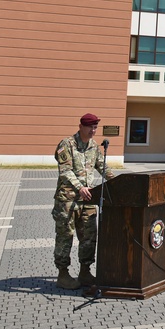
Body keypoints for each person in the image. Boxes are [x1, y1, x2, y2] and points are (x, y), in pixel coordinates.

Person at [53, 112, 113, 290]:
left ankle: (85, 272)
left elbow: (102, 166)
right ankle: (62, 275)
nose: (93, 130)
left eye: (95, 127)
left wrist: (117, 181)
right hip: (68, 201)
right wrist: (79, 187)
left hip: (87, 201)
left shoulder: (94, 146)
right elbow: (65, 171)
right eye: (90, 127)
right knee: (66, 237)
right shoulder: (67, 144)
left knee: (89, 238)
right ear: (81, 126)